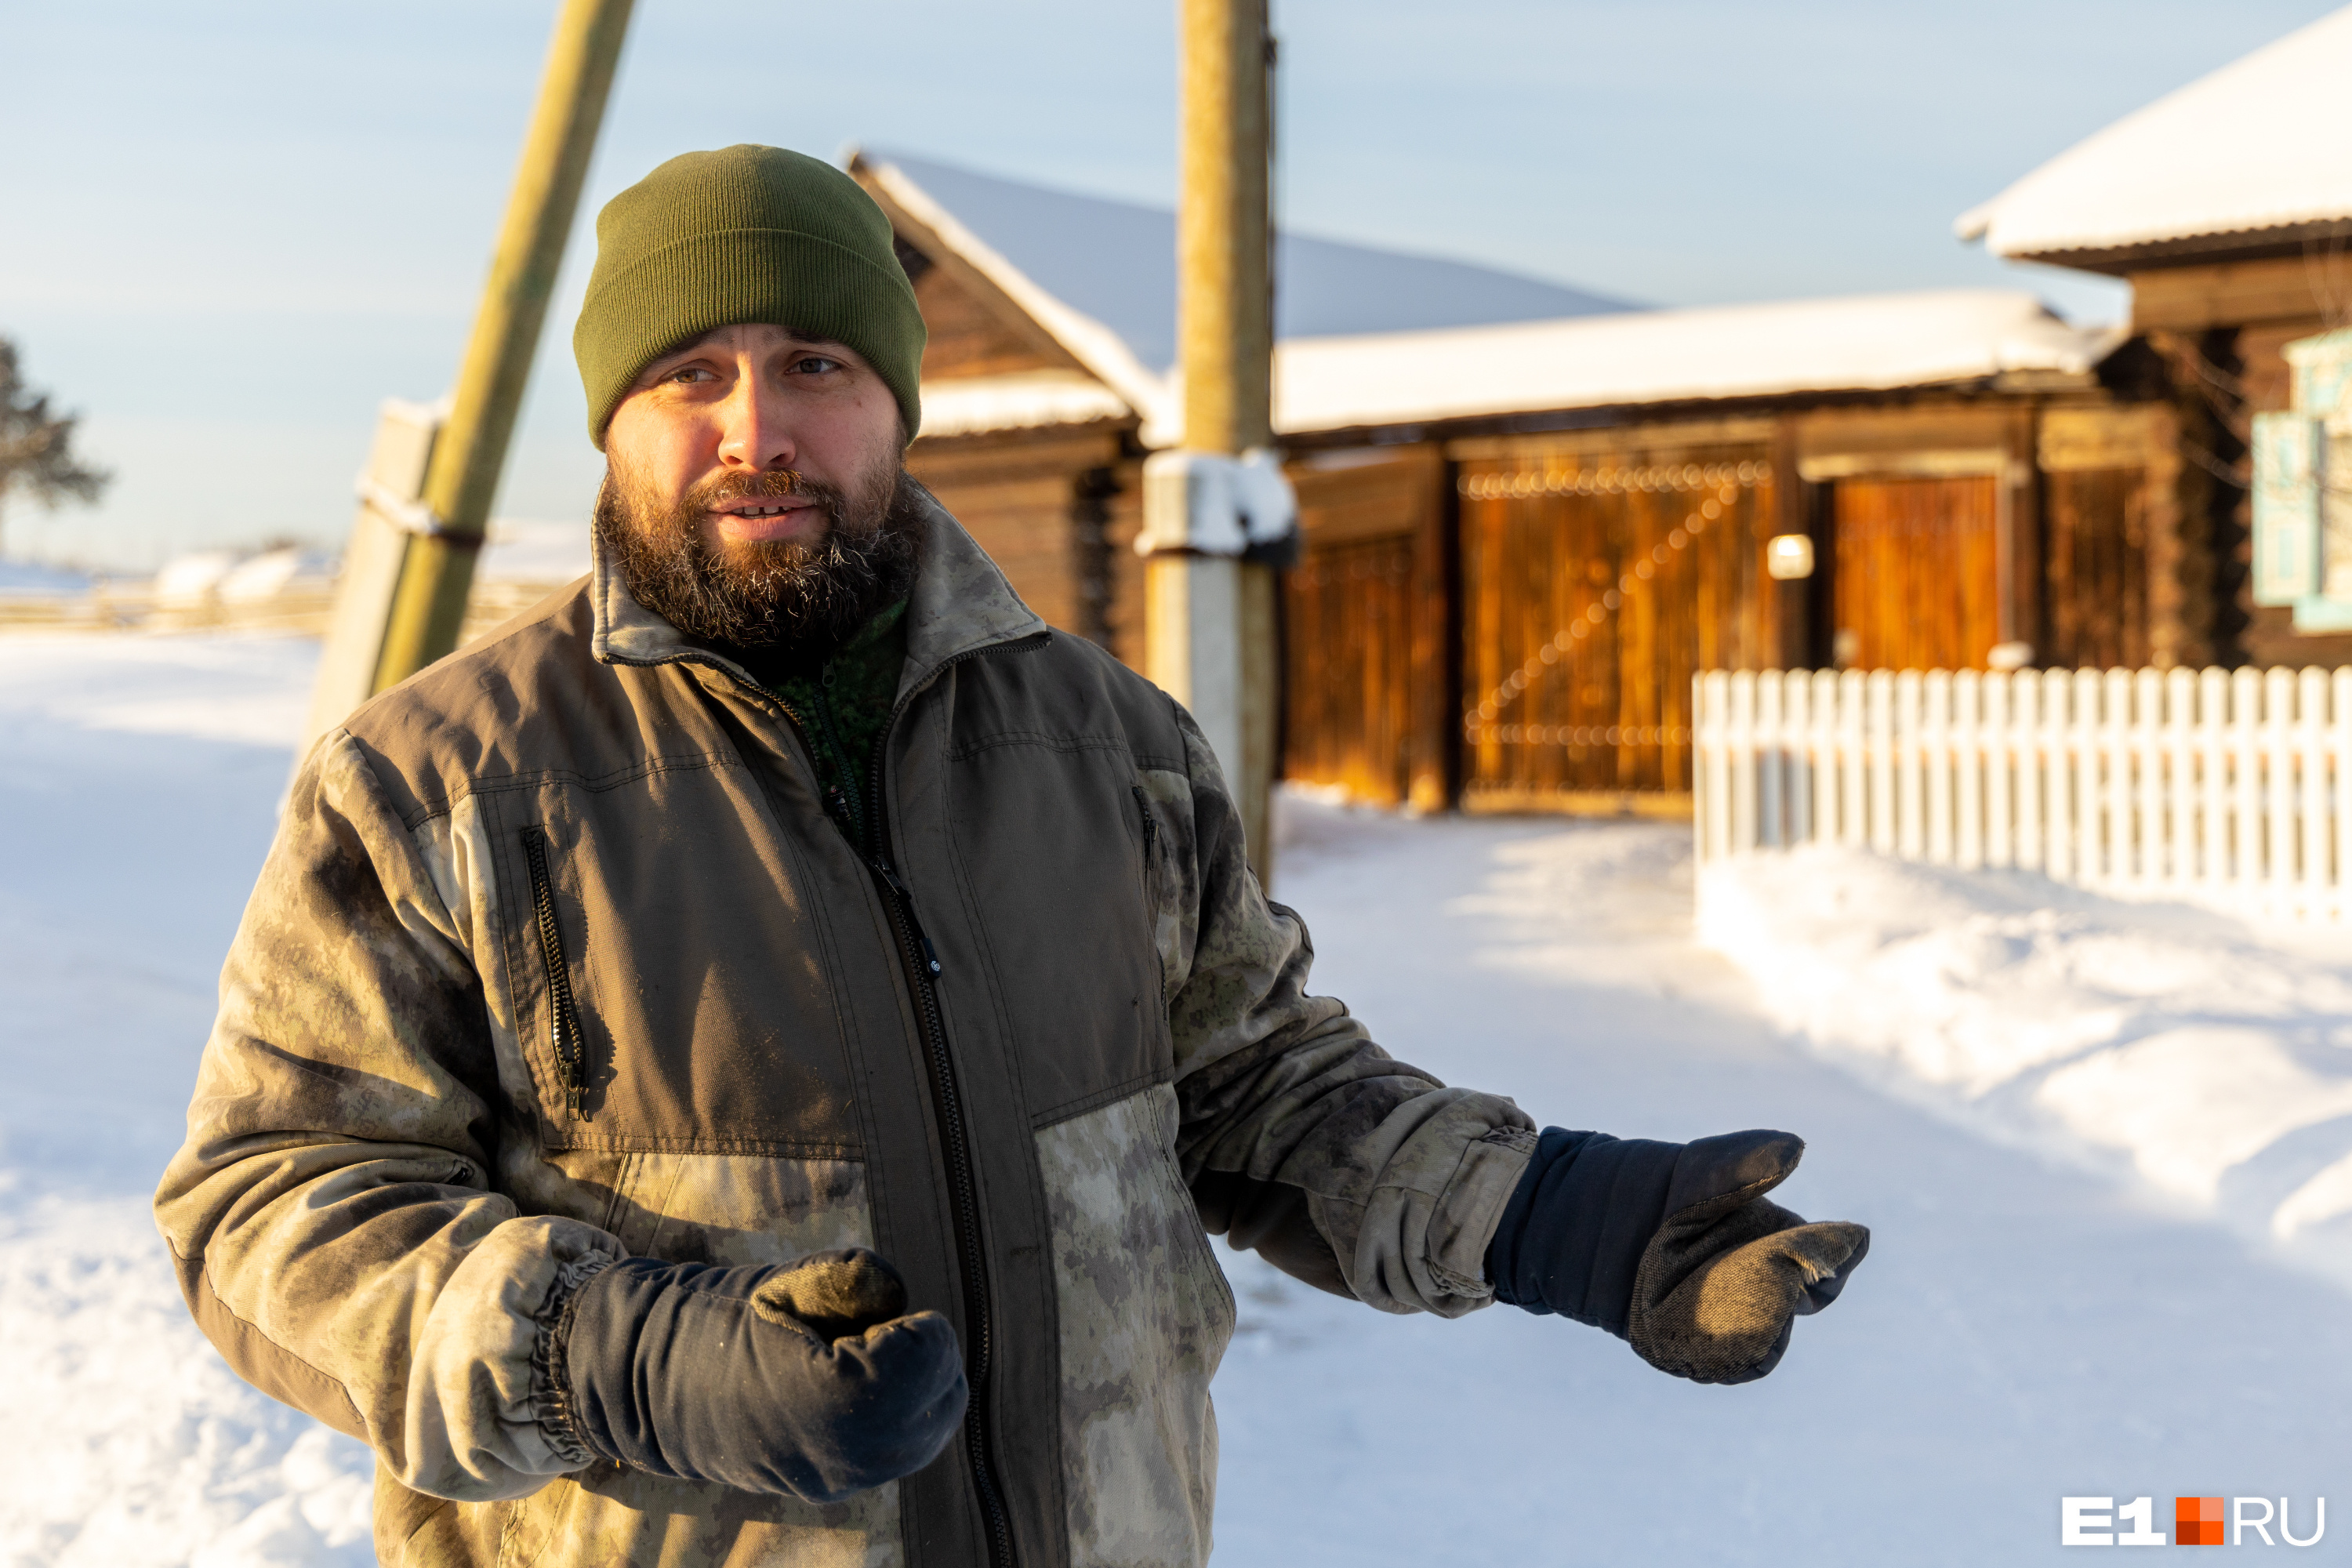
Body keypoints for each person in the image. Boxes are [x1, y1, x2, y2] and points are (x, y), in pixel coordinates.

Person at [156, 145, 1868, 1568]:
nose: (757, 428)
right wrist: (623, 1358)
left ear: (900, 404)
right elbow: (264, 1211)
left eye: (817, 367)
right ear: (611, 421)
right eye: (691, 374)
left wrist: (1560, 1218)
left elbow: (1259, 1089)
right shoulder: (437, 783)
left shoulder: (1110, 745)